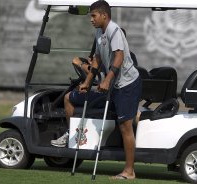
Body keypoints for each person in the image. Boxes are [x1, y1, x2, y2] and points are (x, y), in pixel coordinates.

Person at [79, 0, 141, 179]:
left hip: (128, 83)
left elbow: (119, 57)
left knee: (125, 126)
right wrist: (88, 82)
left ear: (104, 15)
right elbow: (97, 59)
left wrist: (106, 80)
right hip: (117, 84)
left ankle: (129, 172)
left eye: (93, 15)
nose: (91, 19)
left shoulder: (115, 31)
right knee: (122, 124)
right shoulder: (99, 32)